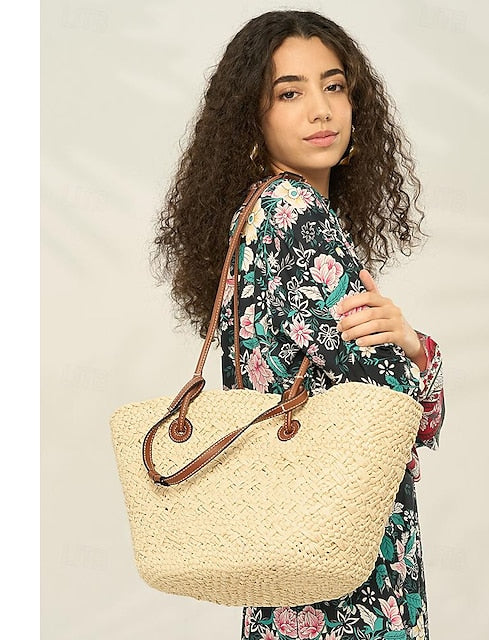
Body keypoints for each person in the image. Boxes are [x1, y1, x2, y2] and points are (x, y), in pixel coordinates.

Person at [153, 10, 445, 639]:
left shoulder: (255, 216)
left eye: (334, 86)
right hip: (349, 572)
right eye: (290, 93)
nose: (321, 109)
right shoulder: (297, 214)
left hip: (287, 559)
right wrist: (420, 352)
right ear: (251, 119)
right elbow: (388, 403)